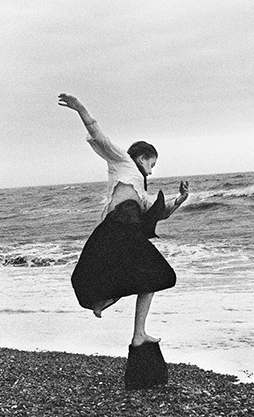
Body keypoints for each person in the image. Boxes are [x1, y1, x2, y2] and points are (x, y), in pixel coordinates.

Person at [59, 93, 189, 347]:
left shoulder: (141, 189)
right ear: (142, 158)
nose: (152, 171)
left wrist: (181, 199)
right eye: (152, 164)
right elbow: (100, 136)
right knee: (156, 274)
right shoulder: (123, 161)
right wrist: (80, 109)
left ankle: (137, 332)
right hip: (116, 229)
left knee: (157, 277)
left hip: (127, 234)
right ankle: (109, 303)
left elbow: (160, 212)